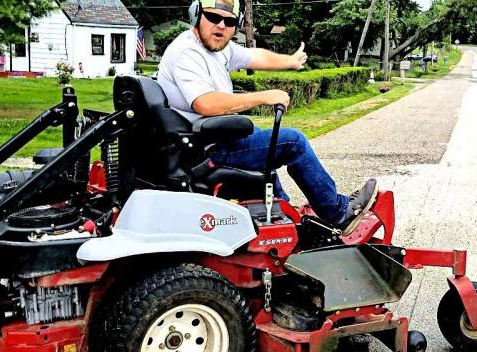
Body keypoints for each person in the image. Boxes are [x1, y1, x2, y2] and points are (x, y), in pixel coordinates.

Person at [157, 0, 377, 235]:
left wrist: (290, 62)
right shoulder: (188, 53)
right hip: (206, 150)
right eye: (213, 18)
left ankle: (288, 223)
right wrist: (264, 96)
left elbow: (255, 56)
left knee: (267, 149)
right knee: (293, 142)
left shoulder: (218, 49)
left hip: (211, 140)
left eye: (229, 21)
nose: (220, 26)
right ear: (196, 16)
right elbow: (206, 103)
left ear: (236, 25)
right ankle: (339, 212)